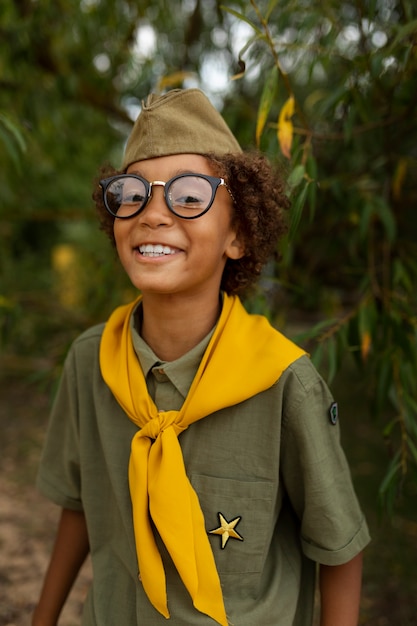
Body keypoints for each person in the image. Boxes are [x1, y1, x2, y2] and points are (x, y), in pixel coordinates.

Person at [32, 88, 370, 626]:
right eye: (131, 194)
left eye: (189, 196)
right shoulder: (90, 361)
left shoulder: (283, 382)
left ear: (237, 233)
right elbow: (79, 505)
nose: (153, 214)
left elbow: (339, 548)